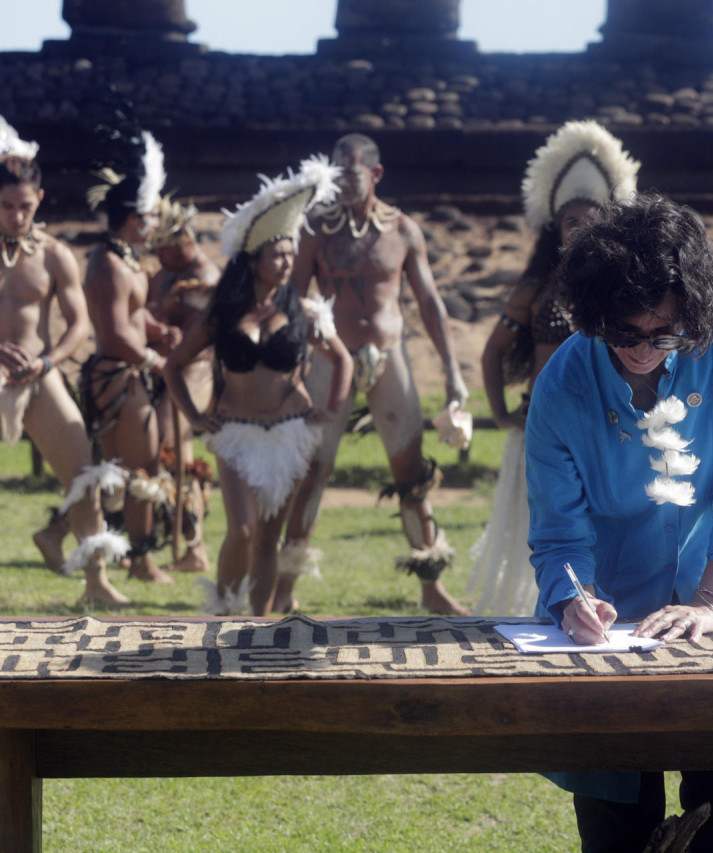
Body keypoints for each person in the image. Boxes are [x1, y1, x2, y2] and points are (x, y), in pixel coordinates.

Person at [526, 194, 713, 852]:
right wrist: (572, 601)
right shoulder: (562, 386)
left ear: (693, 312)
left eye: (664, 333)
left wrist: (709, 599)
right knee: (616, 833)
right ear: (593, 314)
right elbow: (558, 532)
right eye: (623, 332)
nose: (642, 349)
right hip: (611, 620)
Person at [285, 133, 468, 615]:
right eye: (337, 171)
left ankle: (431, 586)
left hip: (390, 355)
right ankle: (285, 586)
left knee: (411, 473)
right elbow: (288, 298)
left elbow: (429, 303)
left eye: (353, 172)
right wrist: (289, 365)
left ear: (376, 174)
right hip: (329, 359)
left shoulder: (403, 230)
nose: (344, 181)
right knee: (312, 471)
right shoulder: (314, 229)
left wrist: (452, 372)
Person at [164, 156, 352, 616]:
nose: (287, 262)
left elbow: (342, 359)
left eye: (291, 252)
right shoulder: (222, 314)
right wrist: (192, 415)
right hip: (234, 432)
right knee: (242, 530)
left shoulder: (305, 311)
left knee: (269, 535)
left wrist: (331, 408)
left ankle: (258, 624)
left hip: (292, 431)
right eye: (277, 254)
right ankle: (224, 607)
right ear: (253, 260)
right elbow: (174, 365)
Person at [470, 119, 639, 616]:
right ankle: (545, 613)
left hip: (607, 430)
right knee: (544, 525)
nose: (581, 231)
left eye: (592, 221)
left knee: (603, 529)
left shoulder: (623, 293)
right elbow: (491, 352)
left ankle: (602, 608)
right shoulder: (535, 290)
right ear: (556, 229)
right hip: (541, 430)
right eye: (572, 223)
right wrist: (501, 416)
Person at [0, 114, 131, 604]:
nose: (17, 216)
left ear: (40, 201)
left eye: (25, 207)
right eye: (7, 206)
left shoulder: (54, 254)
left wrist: (49, 361)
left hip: (38, 373)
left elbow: (79, 323)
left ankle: (96, 581)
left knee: (84, 476)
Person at [81, 111, 178, 586]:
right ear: (135, 216)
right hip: (119, 374)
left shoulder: (124, 259)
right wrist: (153, 358)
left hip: (128, 370)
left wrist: (159, 330)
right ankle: (140, 560)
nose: (157, 222)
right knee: (143, 469)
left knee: (129, 469)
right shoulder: (111, 266)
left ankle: (108, 548)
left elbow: (136, 320)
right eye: (153, 214)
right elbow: (118, 332)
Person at [147, 194, 221, 573]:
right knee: (171, 454)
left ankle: (195, 548)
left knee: (173, 451)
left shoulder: (205, 278)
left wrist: (161, 322)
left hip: (194, 373)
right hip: (162, 370)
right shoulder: (166, 272)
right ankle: (188, 544)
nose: (158, 257)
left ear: (183, 243)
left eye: (164, 250)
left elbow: (197, 338)